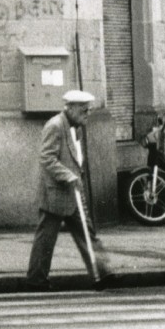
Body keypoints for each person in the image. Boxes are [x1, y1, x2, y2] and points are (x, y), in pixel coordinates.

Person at [26, 88, 110, 287]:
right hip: (56, 192)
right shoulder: (55, 126)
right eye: (83, 110)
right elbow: (46, 158)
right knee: (46, 239)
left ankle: (103, 274)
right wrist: (69, 176)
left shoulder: (77, 127)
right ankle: (36, 280)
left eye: (88, 110)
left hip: (73, 193)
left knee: (87, 234)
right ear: (70, 108)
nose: (87, 114)